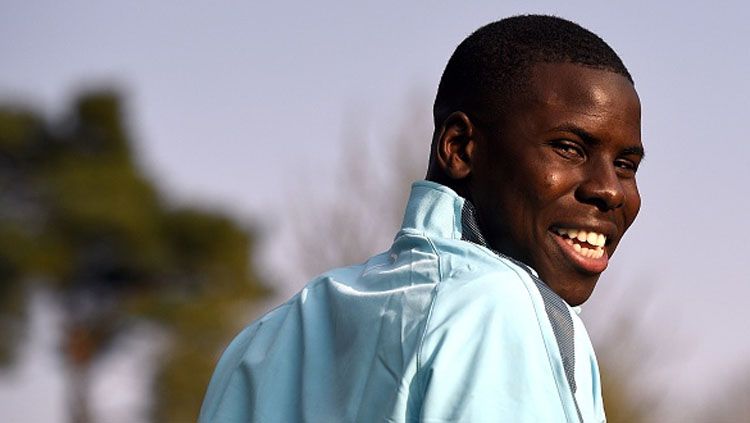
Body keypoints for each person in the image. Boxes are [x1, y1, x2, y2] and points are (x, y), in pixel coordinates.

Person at [199, 14, 643, 423]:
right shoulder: (499, 307)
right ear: (460, 148)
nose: (608, 189)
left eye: (626, 164)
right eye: (569, 147)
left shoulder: (264, 339)